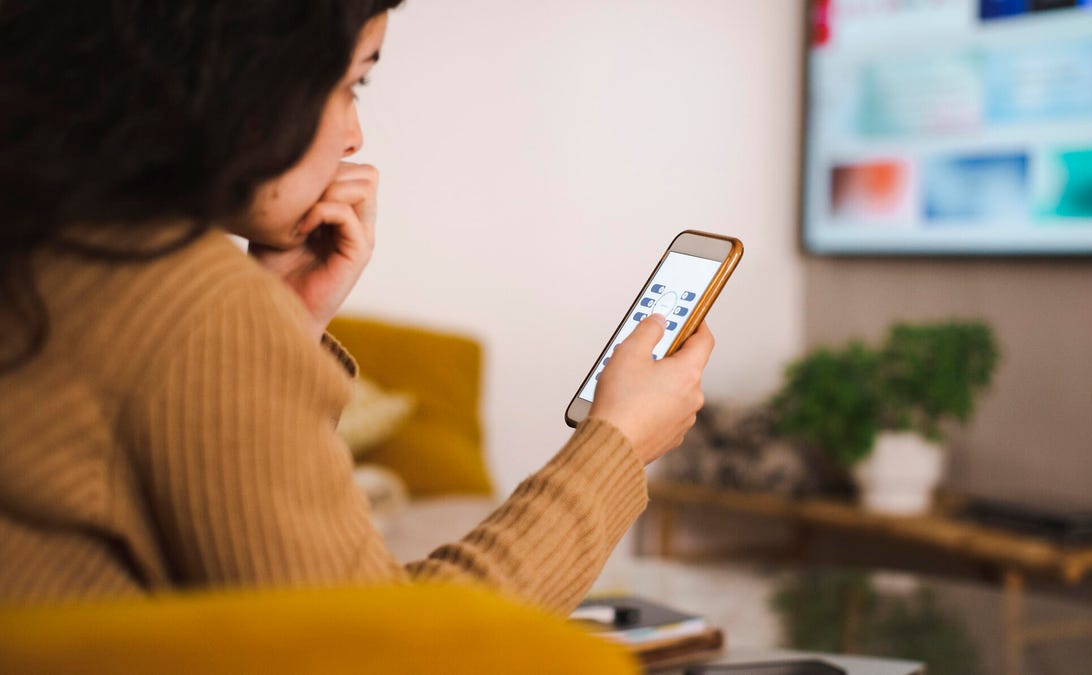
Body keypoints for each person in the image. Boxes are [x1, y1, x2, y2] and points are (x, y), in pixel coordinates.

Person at [0, 1, 713, 616]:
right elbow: (387, 650)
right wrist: (618, 442)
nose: (355, 134)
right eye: (352, 82)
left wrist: (282, 318)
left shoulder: (47, 248)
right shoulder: (188, 301)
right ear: (241, 76)